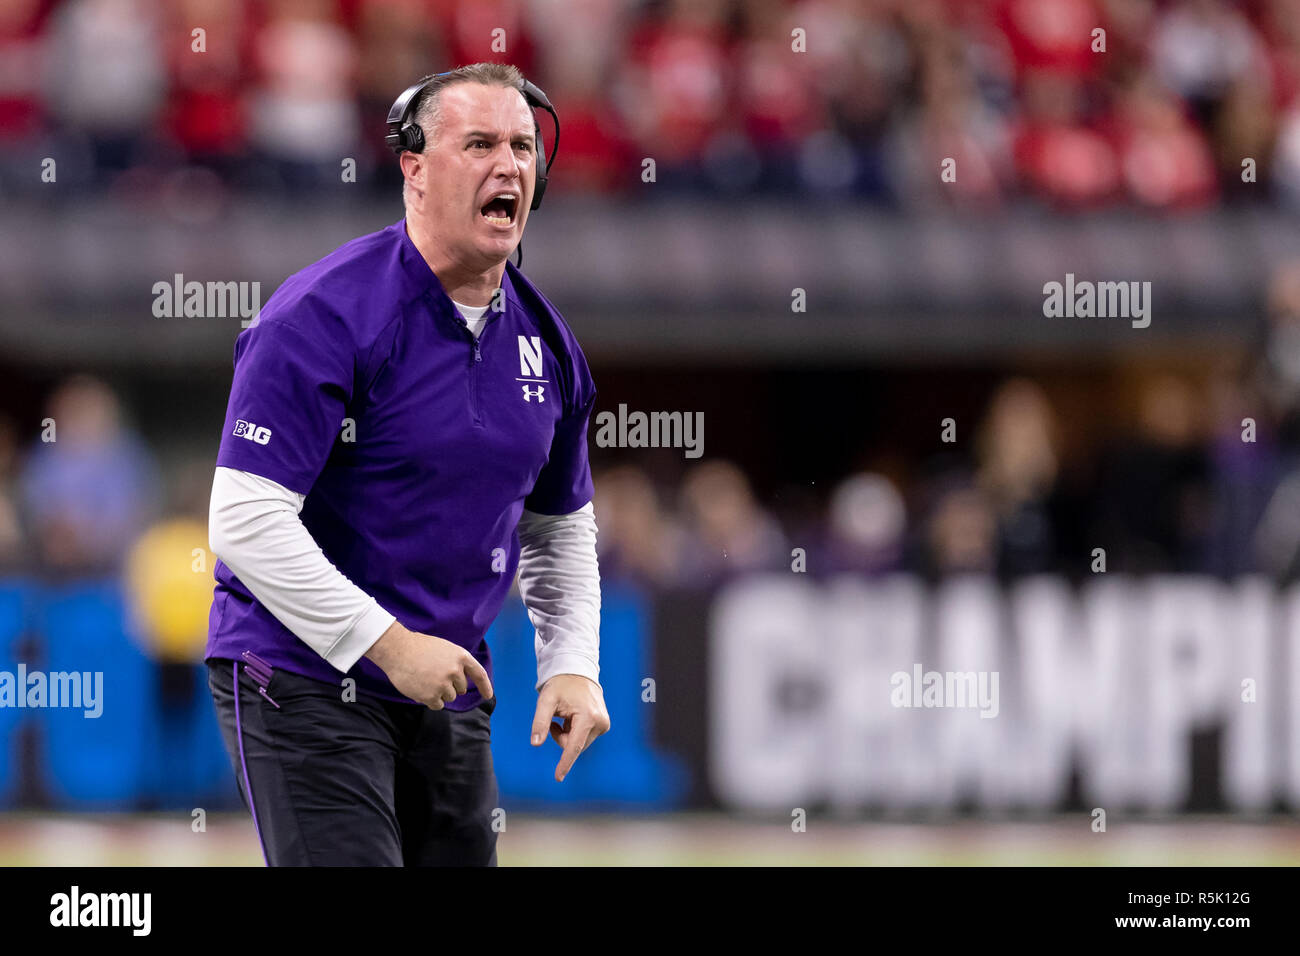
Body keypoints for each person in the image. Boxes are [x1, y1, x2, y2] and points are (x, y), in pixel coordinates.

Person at [204, 62, 609, 866]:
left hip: (445, 684)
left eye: (525, 147)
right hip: (301, 675)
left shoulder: (549, 344)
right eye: (481, 144)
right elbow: (242, 521)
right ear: (414, 167)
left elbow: (559, 526)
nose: (510, 167)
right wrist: (389, 644)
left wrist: (573, 664)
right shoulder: (321, 315)